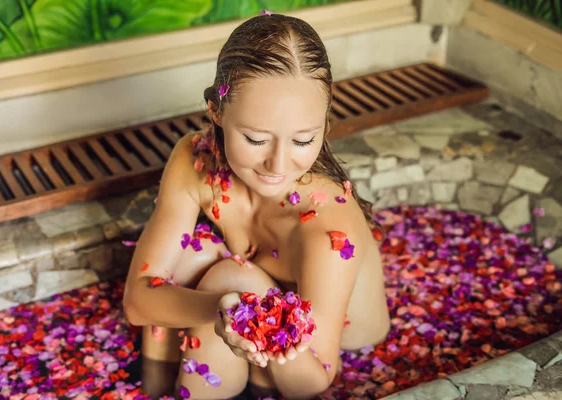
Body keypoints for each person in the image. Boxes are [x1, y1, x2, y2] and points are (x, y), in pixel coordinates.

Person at [123, 11, 390, 399]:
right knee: (188, 262)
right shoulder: (194, 160)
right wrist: (222, 313)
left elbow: (313, 382)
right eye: (255, 138)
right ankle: (157, 386)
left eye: (303, 140)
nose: (277, 165)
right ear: (217, 111)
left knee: (231, 278)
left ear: (324, 122)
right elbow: (138, 300)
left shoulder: (329, 227)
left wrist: (250, 318)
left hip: (327, 355)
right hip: (247, 315)